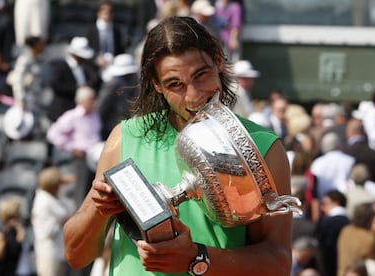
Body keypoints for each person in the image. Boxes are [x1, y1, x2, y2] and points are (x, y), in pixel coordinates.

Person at [63, 16, 293, 275]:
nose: (193, 95)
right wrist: (98, 209)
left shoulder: (263, 149)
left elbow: (278, 263)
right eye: (175, 84)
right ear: (156, 85)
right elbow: (76, 256)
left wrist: (197, 259)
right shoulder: (124, 138)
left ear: (218, 61)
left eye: (201, 75)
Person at [31, 166, 75, 276]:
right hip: (48, 253)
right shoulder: (42, 202)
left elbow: (72, 182)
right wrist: (64, 220)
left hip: (60, 251)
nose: (60, 185)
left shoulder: (55, 197)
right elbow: (47, 231)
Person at [85, 1, 124, 73]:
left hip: (113, 66)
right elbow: (87, 48)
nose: (107, 13)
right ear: (98, 13)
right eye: (104, 10)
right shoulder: (91, 30)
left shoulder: (116, 30)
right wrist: (96, 59)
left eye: (110, 11)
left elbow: (119, 49)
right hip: (95, 67)